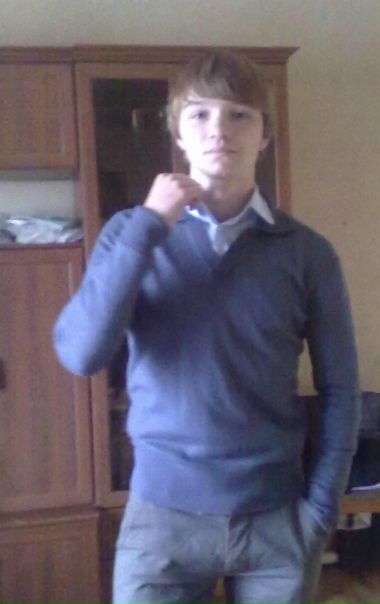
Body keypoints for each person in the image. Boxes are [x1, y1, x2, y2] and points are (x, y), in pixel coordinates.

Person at [53, 50, 361, 604]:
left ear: (265, 135)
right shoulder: (129, 233)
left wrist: (321, 510)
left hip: (276, 522)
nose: (220, 129)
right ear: (178, 132)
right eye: (200, 114)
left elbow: (341, 389)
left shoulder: (308, 253)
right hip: (160, 522)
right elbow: (81, 354)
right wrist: (149, 225)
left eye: (240, 114)